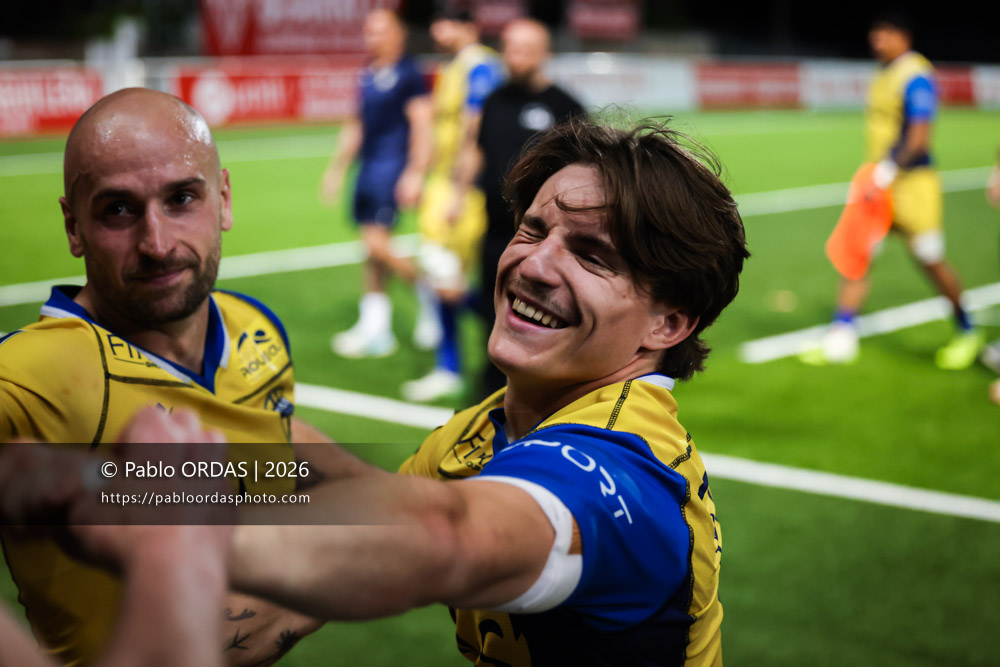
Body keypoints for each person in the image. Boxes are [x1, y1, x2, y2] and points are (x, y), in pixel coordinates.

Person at [4, 118, 748, 666]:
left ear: (668, 321)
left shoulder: (625, 472)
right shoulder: (477, 438)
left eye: (591, 254)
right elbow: (334, 546)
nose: (534, 265)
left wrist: (105, 490)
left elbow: (442, 539)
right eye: (532, 229)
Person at [0, 88, 320, 665]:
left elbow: (284, 446)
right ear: (73, 228)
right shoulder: (28, 377)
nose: (157, 243)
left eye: (181, 198)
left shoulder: (254, 329)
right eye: (118, 209)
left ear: (222, 199)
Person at [806, 11, 983, 368]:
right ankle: (842, 335)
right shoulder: (883, 73)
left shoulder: (916, 76)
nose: (877, 40)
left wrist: (888, 170)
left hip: (913, 185)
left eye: (885, 33)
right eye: (875, 33)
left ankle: (968, 330)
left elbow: (920, 135)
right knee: (859, 253)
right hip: (879, 184)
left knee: (929, 258)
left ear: (904, 36)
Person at [459, 17, 585, 396]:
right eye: (509, 48)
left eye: (524, 49)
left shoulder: (565, 106)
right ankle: (491, 397)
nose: (514, 57)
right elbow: (476, 152)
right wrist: (456, 192)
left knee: (539, 320)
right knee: (489, 313)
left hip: (543, 243)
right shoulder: (494, 100)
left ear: (544, 54)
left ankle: (544, 394)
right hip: (494, 232)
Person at [402, 7, 504, 402]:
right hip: (445, 183)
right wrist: (420, 174)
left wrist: (460, 192)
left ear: (466, 27)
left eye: (443, 23)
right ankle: (459, 355)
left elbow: (474, 131)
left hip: (466, 188)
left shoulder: (480, 67)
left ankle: (455, 363)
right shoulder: (456, 66)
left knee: (447, 276)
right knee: (440, 273)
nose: (435, 30)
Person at [321, 8, 434, 359]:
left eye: (379, 30)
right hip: (367, 170)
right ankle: (376, 328)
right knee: (371, 253)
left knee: (377, 244)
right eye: (368, 30)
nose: (371, 36)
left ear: (398, 34)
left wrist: (415, 171)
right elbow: (356, 125)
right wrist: (337, 169)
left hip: (391, 169)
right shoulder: (367, 74)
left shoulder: (409, 74)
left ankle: (432, 300)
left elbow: (422, 126)